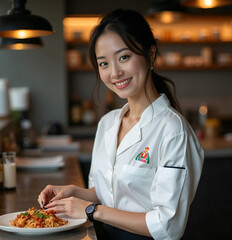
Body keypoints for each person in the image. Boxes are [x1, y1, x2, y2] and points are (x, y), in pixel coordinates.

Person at [38, 9, 204, 240]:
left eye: (124, 57)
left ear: (151, 54)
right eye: (104, 63)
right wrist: (74, 193)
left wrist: (90, 210)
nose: (115, 72)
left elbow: (167, 226)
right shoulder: (107, 124)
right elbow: (110, 193)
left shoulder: (173, 131)